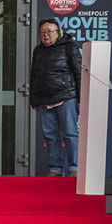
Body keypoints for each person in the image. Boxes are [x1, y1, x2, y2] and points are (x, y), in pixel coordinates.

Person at [28, 19, 83, 176]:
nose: (46, 35)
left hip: (67, 97)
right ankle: (55, 169)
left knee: (70, 133)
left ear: (58, 32)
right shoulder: (38, 51)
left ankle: (75, 168)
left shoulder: (69, 47)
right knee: (51, 136)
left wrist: (81, 99)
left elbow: (79, 73)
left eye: (49, 31)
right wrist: (34, 100)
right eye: (42, 32)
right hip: (45, 99)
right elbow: (34, 77)